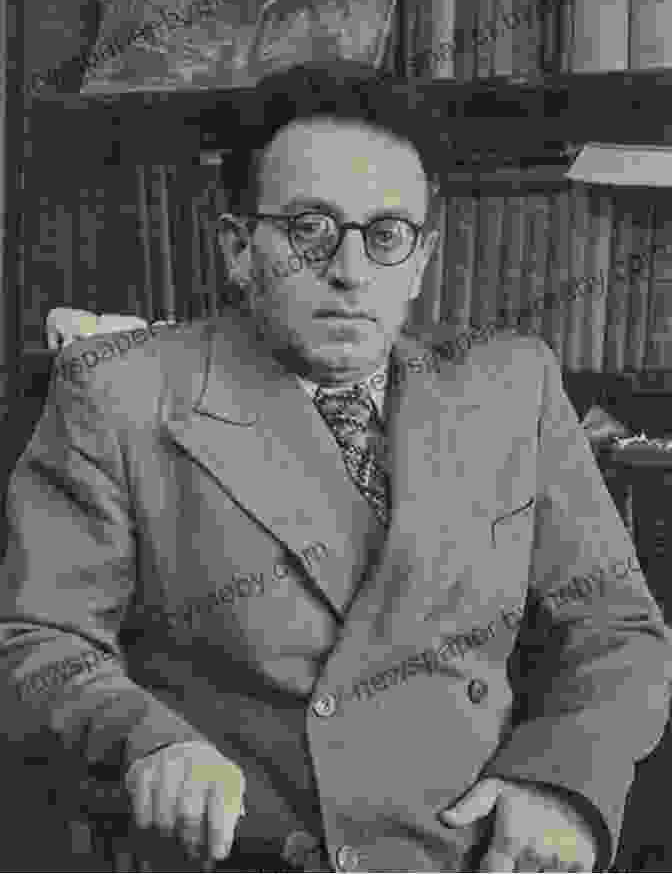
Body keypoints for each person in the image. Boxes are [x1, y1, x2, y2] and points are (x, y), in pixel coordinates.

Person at [0, 61, 670, 874]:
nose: (351, 271)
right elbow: (36, 636)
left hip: (474, 853)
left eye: (385, 235)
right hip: (247, 854)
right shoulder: (119, 391)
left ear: (420, 260)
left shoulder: (511, 385)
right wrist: (146, 740)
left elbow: (616, 629)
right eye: (311, 229)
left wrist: (561, 782)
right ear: (238, 247)